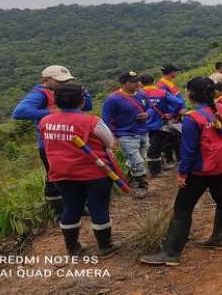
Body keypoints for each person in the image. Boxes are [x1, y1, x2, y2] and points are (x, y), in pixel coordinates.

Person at [140, 77, 222, 266]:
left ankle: (171, 253)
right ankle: (219, 239)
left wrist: (182, 174)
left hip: (200, 171)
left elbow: (189, 151)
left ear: (191, 95)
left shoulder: (193, 118)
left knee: (182, 209)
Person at [39, 83, 123, 256]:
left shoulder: (45, 121)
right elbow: (110, 143)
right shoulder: (92, 121)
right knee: (98, 207)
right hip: (94, 172)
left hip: (62, 174)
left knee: (70, 208)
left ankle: (72, 248)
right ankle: (105, 246)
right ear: (82, 101)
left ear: (56, 101)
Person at [12, 65, 92, 220]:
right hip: (49, 143)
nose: (65, 84)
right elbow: (19, 112)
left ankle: (78, 206)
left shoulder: (65, 91)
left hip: (72, 139)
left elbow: (87, 106)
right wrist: (52, 112)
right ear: (46, 80)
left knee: (76, 174)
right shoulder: (39, 94)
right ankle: (59, 212)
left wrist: (84, 93)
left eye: (67, 80)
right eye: (60, 81)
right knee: (54, 176)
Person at [101, 71, 154, 198]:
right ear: (124, 83)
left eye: (138, 81)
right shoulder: (113, 99)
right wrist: (112, 137)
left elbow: (151, 108)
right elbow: (106, 119)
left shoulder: (142, 94)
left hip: (143, 132)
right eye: (133, 81)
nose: (138, 83)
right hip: (126, 135)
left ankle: (131, 177)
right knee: (137, 161)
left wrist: (147, 114)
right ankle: (141, 186)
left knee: (140, 159)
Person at [141, 74, 187, 177]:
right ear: (153, 82)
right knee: (156, 147)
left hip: (143, 126)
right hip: (159, 124)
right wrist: (172, 114)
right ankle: (155, 172)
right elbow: (179, 102)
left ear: (141, 84)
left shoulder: (139, 94)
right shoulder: (162, 93)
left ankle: (155, 169)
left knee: (152, 147)